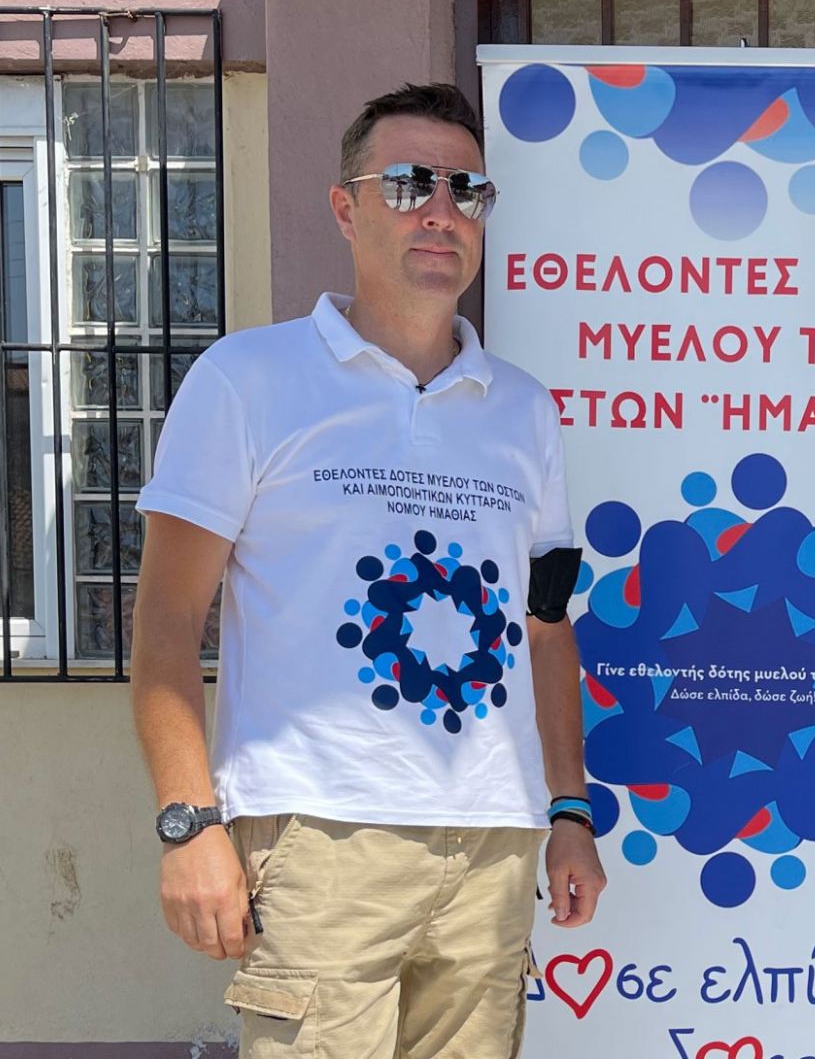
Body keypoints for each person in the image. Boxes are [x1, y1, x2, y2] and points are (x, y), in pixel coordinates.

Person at [130, 82, 605, 1058]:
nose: (440, 211)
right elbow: (168, 621)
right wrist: (187, 825)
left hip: (493, 843)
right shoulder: (246, 381)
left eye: (466, 190)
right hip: (319, 837)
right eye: (408, 184)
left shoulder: (523, 411)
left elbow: (545, 627)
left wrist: (569, 809)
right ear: (345, 209)